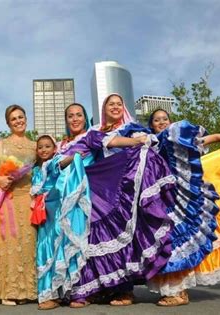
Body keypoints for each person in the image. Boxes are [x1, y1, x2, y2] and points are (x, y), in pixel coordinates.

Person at [65, 101, 175, 307]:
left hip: (112, 190)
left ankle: (124, 290)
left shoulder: (113, 131)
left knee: (118, 238)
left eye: (79, 114)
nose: (75, 119)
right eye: (70, 115)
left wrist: (138, 142)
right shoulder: (83, 136)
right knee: (87, 240)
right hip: (83, 194)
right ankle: (95, 288)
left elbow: (125, 142)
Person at [147, 108, 220, 306]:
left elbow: (216, 136)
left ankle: (179, 292)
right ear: (151, 125)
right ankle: (176, 291)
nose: (161, 122)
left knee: (181, 241)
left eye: (165, 119)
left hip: (186, 197)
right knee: (168, 244)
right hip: (162, 200)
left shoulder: (182, 140)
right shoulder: (148, 146)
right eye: (156, 120)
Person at [31, 134, 89, 310]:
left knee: (61, 249)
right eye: (40, 147)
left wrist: (74, 157)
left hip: (59, 210)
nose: (44, 150)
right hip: (45, 212)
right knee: (46, 249)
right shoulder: (35, 169)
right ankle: (46, 295)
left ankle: (63, 291)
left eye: (47, 146)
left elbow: (59, 166)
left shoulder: (57, 161)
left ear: (54, 149)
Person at [0, 104, 37, 305]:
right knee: (9, 243)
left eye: (21, 117)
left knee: (28, 244)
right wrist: (1, 180)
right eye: (14, 119)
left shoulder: (34, 146)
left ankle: (26, 291)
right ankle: (8, 291)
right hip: (8, 197)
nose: (18, 121)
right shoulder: (1, 144)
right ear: (8, 123)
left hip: (28, 198)